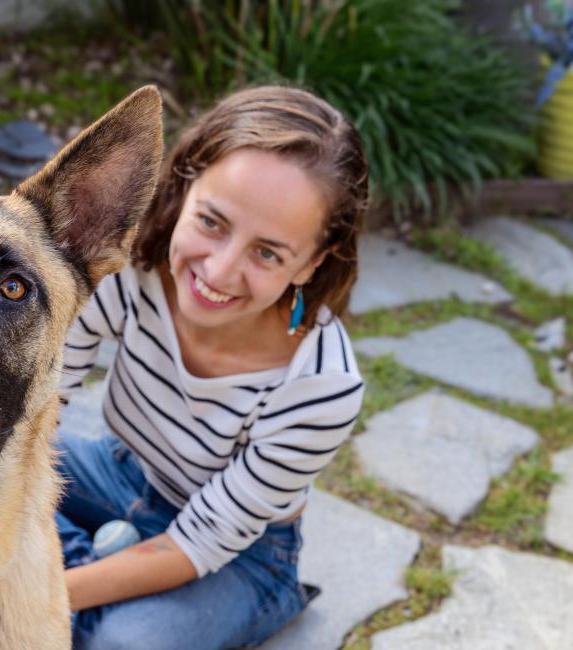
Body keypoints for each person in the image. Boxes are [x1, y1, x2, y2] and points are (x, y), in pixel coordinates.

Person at [55, 85, 369, 649]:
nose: (220, 271)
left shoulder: (323, 384)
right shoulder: (128, 270)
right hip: (121, 472)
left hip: (239, 557)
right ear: (185, 185)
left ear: (312, 263)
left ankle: (262, 601)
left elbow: (198, 544)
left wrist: (40, 591)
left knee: (125, 645)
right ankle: (97, 565)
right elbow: (38, 407)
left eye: (268, 253)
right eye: (213, 222)